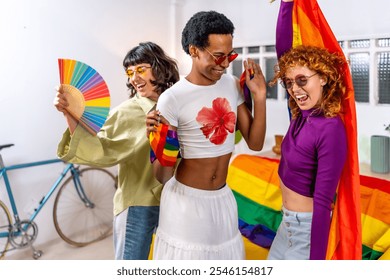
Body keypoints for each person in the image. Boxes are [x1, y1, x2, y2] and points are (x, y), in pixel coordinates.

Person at [146, 11, 267, 260]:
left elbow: (255, 143)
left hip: (223, 198)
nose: (224, 64)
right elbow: (162, 177)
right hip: (185, 204)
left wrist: (260, 96)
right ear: (194, 50)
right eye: (218, 56)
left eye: (229, 56)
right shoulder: (172, 98)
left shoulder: (232, 85)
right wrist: (160, 142)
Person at [54, 42, 179, 260]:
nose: (134, 78)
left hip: (175, 201)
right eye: (130, 73)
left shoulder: (178, 104)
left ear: (159, 68)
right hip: (138, 204)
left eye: (141, 69)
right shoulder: (126, 112)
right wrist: (69, 113)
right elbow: (100, 147)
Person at [268, 44, 348, 260]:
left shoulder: (331, 129)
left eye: (302, 80)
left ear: (323, 77)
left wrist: (316, 262)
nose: (295, 89)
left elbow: (323, 201)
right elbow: (283, 51)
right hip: (288, 223)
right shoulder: (299, 114)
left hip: (308, 231)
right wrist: (286, 8)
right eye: (289, 83)